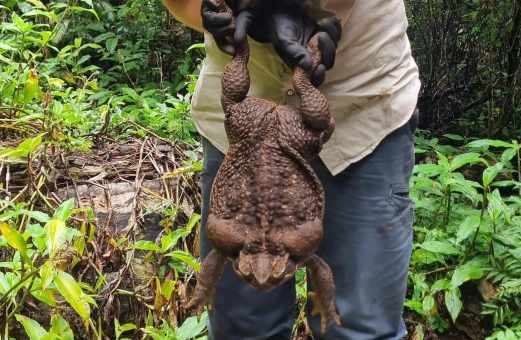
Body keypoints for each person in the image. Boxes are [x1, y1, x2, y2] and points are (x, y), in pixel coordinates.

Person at [162, 1, 421, 339]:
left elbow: (318, 267)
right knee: (241, 329)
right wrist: (223, 14)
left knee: (359, 329)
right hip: (241, 126)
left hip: (360, 104)